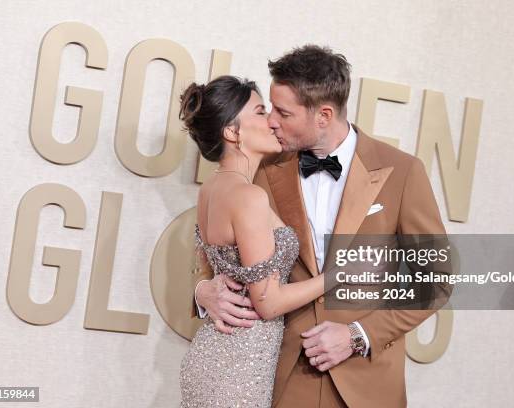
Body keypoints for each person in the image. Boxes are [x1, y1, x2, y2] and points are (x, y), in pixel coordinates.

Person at [193, 45, 452, 407]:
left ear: (324, 115)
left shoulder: (403, 172)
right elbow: (218, 246)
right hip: (279, 377)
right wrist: (203, 291)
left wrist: (358, 335)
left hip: (366, 382)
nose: (272, 122)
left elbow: (438, 280)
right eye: (269, 109)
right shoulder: (262, 169)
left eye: (283, 113)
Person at [179, 75, 332, 407]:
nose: (273, 122)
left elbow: (213, 269)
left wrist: (203, 289)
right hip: (239, 367)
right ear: (232, 132)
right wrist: (335, 278)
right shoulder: (247, 196)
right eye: (261, 112)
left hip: (219, 354)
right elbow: (268, 302)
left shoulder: (211, 189)